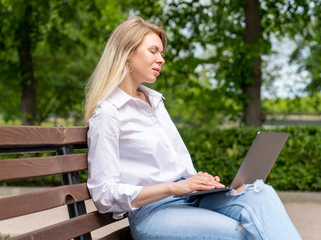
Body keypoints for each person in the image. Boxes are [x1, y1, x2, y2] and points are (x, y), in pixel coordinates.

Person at [85, 16, 301, 240]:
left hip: (191, 198)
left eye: (162, 53)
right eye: (153, 51)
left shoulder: (155, 102)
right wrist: (173, 188)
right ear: (127, 53)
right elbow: (103, 194)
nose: (162, 59)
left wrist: (197, 180)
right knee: (243, 233)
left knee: (260, 192)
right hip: (154, 211)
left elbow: (174, 168)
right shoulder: (109, 113)